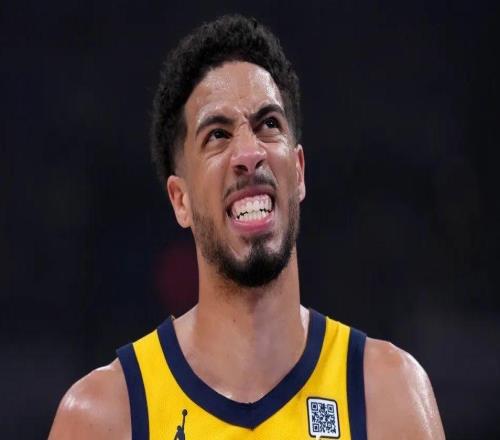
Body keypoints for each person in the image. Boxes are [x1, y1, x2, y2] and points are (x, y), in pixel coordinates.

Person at [48, 15, 445, 440]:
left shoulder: (388, 396)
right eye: (217, 135)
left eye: (268, 124)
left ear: (299, 171)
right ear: (180, 199)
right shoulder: (105, 416)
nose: (249, 153)